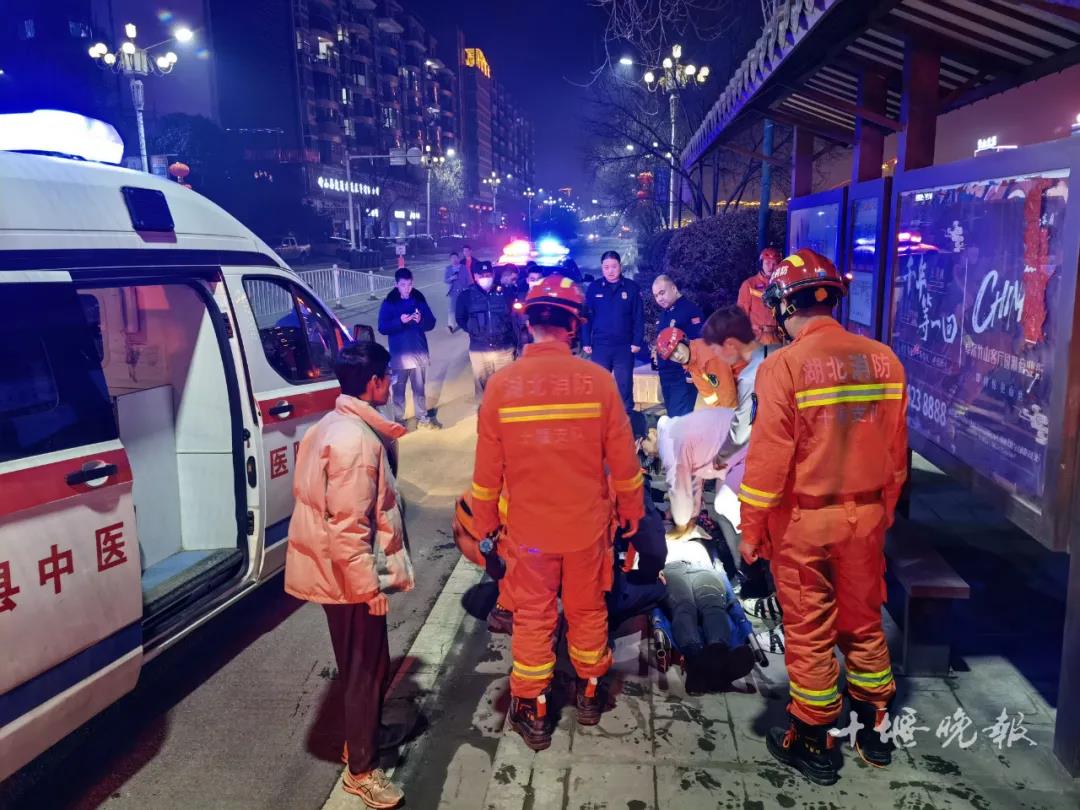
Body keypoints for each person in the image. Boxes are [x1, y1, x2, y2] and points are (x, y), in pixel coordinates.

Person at [737, 248, 908, 784]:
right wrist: (883, 514)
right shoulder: (885, 360)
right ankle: (874, 729)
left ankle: (813, 740)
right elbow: (896, 453)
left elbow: (768, 462)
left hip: (804, 524)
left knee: (809, 630)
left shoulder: (783, 367)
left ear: (784, 306)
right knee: (864, 619)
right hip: (866, 518)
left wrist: (751, 532)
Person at [469, 274, 645, 751]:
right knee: (588, 610)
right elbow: (624, 462)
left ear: (528, 323)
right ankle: (590, 693)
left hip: (529, 533)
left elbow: (486, 474)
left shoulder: (501, 386)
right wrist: (632, 511)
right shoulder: (599, 382)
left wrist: (486, 524)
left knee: (533, 615)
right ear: (574, 325)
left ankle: (534, 709)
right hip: (588, 529)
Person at [284, 341, 415, 808]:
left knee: (368, 662)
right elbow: (347, 523)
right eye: (387, 376)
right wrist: (367, 587)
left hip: (334, 568)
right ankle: (361, 770)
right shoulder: (355, 441)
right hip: (345, 575)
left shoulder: (332, 423)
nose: (391, 383)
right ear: (374, 383)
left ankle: (364, 735)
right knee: (364, 668)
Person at [581, 250, 645, 411]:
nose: (610, 271)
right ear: (602, 268)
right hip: (600, 346)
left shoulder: (631, 288)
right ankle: (601, 420)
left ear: (620, 266)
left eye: (614, 266)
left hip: (624, 347)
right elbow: (586, 317)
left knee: (625, 387)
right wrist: (586, 341)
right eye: (606, 267)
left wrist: (637, 341)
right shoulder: (594, 288)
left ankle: (626, 421)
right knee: (599, 385)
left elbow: (638, 317)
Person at [377, 268, 439, 430]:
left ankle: (422, 418)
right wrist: (400, 321)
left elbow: (432, 323)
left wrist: (421, 320)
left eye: (409, 284)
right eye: (403, 285)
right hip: (399, 356)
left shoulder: (418, 298)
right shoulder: (389, 302)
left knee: (419, 390)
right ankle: (398, 420)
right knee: (398, 391)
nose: (407, 288)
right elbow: (382, 327)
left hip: (418, 352)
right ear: (396, 284)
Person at [456, 261, 517, 400]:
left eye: (488, 274)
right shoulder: (466, 296)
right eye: (481, 275)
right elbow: (460, 318)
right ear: (475, 276)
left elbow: (514, 317)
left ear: (493, 275)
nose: (485, 278)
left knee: (506, 387)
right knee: (483, 390)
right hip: (479, 350)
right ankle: (484, 411)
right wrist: (474, 330)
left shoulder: (505, 293)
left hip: (504, 349)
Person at [652, 275, 704, 417]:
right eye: (656, 296)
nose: (659, 298)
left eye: (662, 293)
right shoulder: (665, 313)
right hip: (667, 375)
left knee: (680, 419)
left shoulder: (689, 311)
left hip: (681, 376)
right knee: (673, 416)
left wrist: (690, 373)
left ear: (674, 288)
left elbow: (698, 343)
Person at [655, 327, 738, 409]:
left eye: (676, 349)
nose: (676, 356)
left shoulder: (707, 356)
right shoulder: (691, 363)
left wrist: (726, 415)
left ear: (684, 340)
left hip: (741, 389)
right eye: (671, 356)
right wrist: (716, 412)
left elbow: (728, 393)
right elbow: (709, 395)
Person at [737, 247, 784, 345]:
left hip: (778, 338)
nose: (771, 267)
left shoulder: (782, 284)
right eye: (767, 263)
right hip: (757, 339)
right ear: (761, 264)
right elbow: (741, 315)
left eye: (774, 263)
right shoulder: (749, 284)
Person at [445, 251, 469, 334]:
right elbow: (445, 280)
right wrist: (451, 278)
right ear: (450, 259)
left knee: (465, 308)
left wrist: (467, 288)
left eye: (455, 258)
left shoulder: (463, 268)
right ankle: (451, 325)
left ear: (458, 258)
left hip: (463, 290)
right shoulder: (448, 268)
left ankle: (466, 322)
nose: (454, 260)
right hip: (453, 292)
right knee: (452, 309)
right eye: (452, 258)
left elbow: (468, 279)